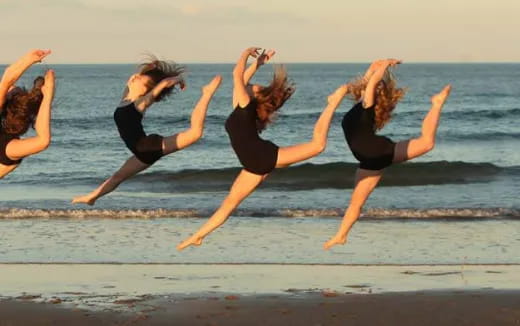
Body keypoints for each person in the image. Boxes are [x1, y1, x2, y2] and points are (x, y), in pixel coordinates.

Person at [177, 47, 350, 250]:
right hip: (253, 165)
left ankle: (333, 103)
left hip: (262, 157)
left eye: (254, 87)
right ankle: (198, 236)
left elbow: (237, 75)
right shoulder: (241, 107)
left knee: (318, 145)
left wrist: (244, 54)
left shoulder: (245, 105)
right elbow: (241, 80)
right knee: (229, 204)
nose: (250, 85)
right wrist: (257, 64)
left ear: (254, 96)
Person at [323, 59, 452, 250]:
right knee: (426, 143)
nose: (364, 89)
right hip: (373, 157)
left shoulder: (367, 107)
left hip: (371, 154)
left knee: (355, 203)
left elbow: (372, 83)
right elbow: (367, 82)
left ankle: (437, 103)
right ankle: (340, 236)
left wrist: (383, 68)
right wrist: (376, 65)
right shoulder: (362, 106)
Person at [72, 57, 222, 205]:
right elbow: (132, 78)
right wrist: (150, 67)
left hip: (147, 147)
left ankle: (207, 94)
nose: (135, 78)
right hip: (140, 152)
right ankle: (91, 198)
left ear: (145, 90)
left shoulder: (140, 103)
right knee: (117, 177)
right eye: (136, 77)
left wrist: (179, 78)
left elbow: (163, 84)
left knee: (195, 133)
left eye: (139, 80)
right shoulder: (126, 98)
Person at [0, 49, 55, 179]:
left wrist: (28, 59)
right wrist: (47, 96)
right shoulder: (10, 148)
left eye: (11, 90)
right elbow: (43, 140)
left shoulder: (7, 147)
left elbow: (7, 79)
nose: (11, 87)